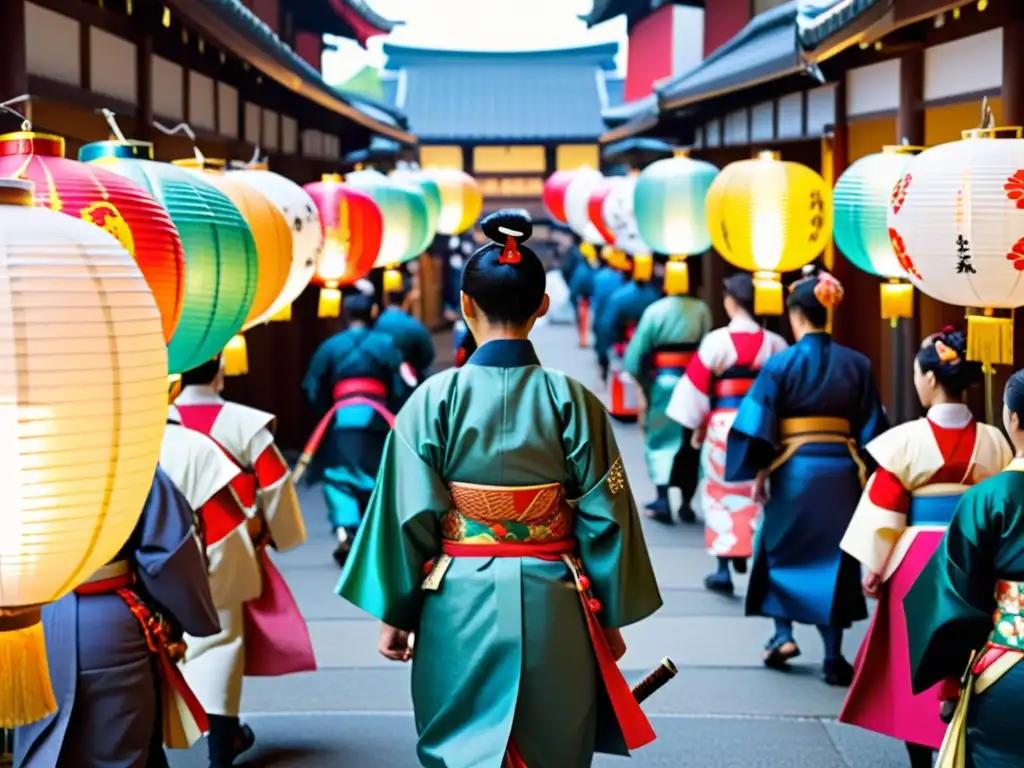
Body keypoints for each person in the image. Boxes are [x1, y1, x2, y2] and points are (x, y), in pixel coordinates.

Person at [337, 209, 662, 768]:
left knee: (459, 745)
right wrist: (608, 621)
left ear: (465, 305)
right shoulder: (575, 402)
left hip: (455, 597)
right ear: (543, 304)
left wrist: (397, 612)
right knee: (554, 746)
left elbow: (405, 517)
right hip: (557, 596)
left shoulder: (431, 403)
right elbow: (608, 518)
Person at [837, 328, 1010, 767]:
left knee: (914, 657)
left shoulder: (906, 440)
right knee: (971, 651)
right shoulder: (994, 440)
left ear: (929, 379)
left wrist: (873, 568)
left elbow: (885, 506)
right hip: (975, 558)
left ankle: (920, 753)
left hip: (915, 557)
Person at [725, 267, 888, 685]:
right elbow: (872, 427)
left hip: (793, 469)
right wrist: (870, 475)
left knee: (779, 547)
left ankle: (782, 634)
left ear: (796, 315)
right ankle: (834, 657)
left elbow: (758, 421)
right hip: (841, 473)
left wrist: (759, 470)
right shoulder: (858, 364)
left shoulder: (780, 365)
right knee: (836, 559)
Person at [13, 468, 220, 768]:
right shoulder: (125, 454)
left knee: (39, 752)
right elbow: (169, 556)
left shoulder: (15, 457)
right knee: (117, 756)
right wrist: (184, 619)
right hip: (107, 620)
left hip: (27, 623)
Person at [173, 355, 315, 767]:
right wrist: (278, 533)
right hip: (224, 539)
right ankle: (221, 744)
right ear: (219, 369)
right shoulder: (245, 423)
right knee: (219, 643)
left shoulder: (155, 423)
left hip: (158, 551)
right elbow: (274, 481)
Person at [903, 369, 1024, 768]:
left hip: (1010, 666)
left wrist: (950, 684)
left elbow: (954, 596)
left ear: (1014, 419)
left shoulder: (987, 499)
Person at [666, 274, 788, 591]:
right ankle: (751, 550)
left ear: (730, 302)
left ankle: (723, 567)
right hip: (761, 423)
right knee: (757, 490)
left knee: (719, 491)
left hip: (723, 423)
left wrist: (696, 427)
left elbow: (696, 388)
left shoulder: (716, 342)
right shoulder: (775, 343)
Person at [300, 287, 415, 566]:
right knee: (380, 474)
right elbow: (404, 382)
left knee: (339, 476)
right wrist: (395, 407)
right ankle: (375, 534)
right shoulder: (386, 344)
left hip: (342, 417)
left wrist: (325, 410)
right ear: (373, 313)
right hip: (378, 418)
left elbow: (312, 385)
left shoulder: (331, 345)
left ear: (345, 315)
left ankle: (345, 530)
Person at [623, 275, 713, 524]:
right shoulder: (702, 309)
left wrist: (646, 385)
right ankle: (686, 502)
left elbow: (635, 357)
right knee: (690, 441)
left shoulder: (655, 310)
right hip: (694, 382)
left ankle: (662, 497)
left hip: (664, 383)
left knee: (661, 439)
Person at [595, 257, 662, 423]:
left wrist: (602, 358)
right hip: (653, 350)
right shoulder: (656, 298)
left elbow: (606, 327)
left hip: (623, 344)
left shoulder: (619, 297)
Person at [374, 276, 436, 383]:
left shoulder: (376, 324)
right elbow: (428, 356)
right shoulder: (414, 326)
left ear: (385, 298)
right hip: (411, 379)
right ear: (407, 298)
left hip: (381, 378)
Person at [590, 249, 630, 382]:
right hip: (619, 323)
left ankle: (604, 372)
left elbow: (595, 301)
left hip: (602, 320)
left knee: (602, 349)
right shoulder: (625, 282)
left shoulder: (599, 276)